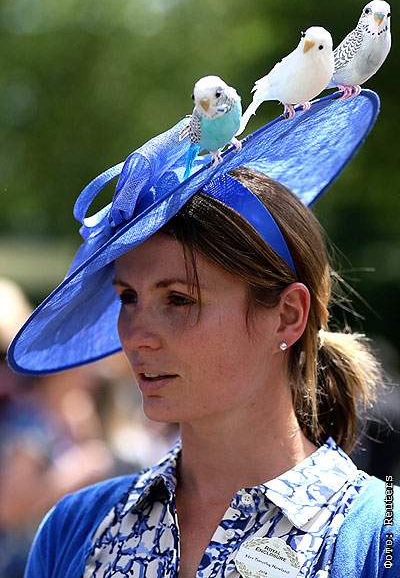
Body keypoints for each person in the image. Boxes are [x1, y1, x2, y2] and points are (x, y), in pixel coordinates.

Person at [7, 90, 399, 577]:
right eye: (127, 297)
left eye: (178, 299)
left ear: (287, 316)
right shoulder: (75, 527)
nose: (136, 336)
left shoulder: (381, 535)